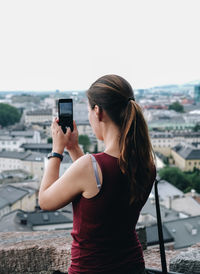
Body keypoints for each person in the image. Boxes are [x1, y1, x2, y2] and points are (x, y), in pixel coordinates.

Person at [39, 74, 156, 274]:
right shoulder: (147, 164)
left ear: (98, 111)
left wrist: (56, 150)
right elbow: (98, 185)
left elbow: (45, 201)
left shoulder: (90, 166)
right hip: (132, 267)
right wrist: (74, 148)